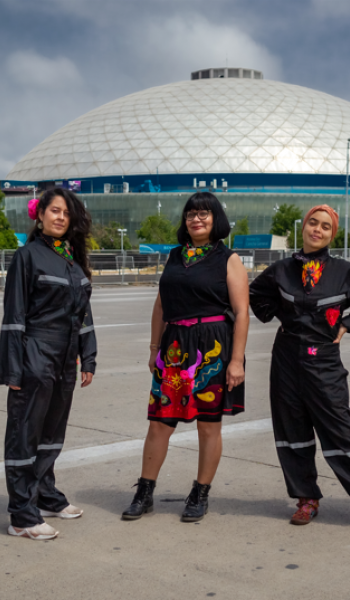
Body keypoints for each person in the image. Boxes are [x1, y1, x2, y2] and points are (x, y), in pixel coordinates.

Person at [247, 205, 350, 530]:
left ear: (332, 234)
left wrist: (347, 324)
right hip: (286, 357)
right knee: (292, 430)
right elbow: (255, 294)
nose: (318, 229)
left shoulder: (343, 271)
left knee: (338, 428)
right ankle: (306, 498)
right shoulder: (282, 269)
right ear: (304, 227)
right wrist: (278, 314)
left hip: (323, 357)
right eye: (313, 222)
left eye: (325, 226)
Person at [121, 192, 248, 523]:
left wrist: (237, 360)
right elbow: (161, 305)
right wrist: (153, 349)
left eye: (204, 214)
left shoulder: (228, 259)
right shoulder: (175, 256)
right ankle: (145, 492)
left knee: (208, 425)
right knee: (159, 423)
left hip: (213, 348)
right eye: (191, 214)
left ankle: (199, 494)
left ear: (215, 219)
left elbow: (242, 311)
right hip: (175, 348)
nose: (196, 219)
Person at [0, 188, 97, 541]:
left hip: (65, 357)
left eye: (66, 213)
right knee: (26, 433)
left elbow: (82, 313)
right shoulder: (28, 256)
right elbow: (14, 316)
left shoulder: (71, 259)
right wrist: (12, 369)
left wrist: (89, 355)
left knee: (52, 432)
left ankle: (45, 495)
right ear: (39, 216)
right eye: (54, 211)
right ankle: (22, 515)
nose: (60, 218)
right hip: (35, 354)